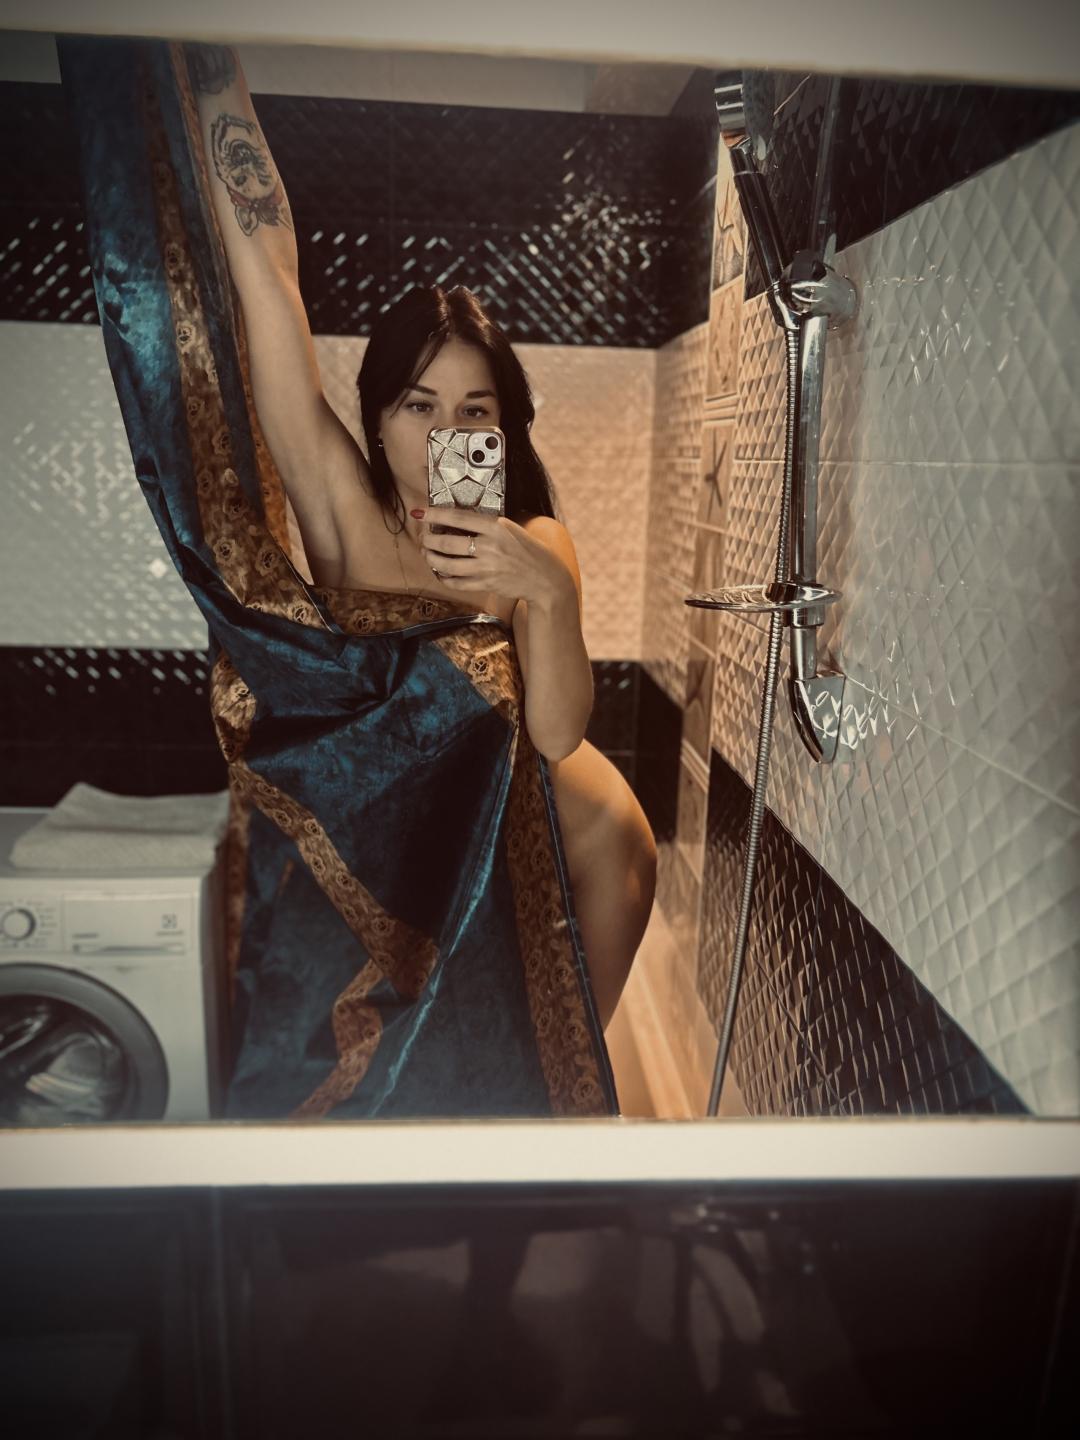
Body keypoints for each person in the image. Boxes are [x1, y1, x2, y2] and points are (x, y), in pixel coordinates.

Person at [58, 35, 655, 1119]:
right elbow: (269, 278)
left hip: (586, 832)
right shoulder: (339, 503)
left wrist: (548, 590)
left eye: (474, 410)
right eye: (418, 406)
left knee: (542, 1077)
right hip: (419, 848)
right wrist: (210, 75)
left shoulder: (533, 542)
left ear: (506, 429)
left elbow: (560, 733)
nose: (442, 433)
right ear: (377, 422)